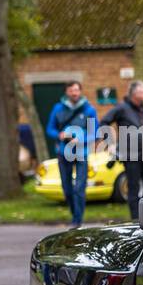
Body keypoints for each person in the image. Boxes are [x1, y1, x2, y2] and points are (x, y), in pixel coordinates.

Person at [100, 80, 143, 219]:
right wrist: (111, 143)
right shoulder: (122, 108)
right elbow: (104, 122)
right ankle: (136, 219)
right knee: (134, 188)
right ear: (135, 93)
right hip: (130, 155)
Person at [45, 81, 98, 228]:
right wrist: (59, 135)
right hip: (63, 152)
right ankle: (75, 213)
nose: (74, 93)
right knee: (67, 188)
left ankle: (77, 220)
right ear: (66, 92)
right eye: (71, 90)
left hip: (81, 152)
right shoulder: (58, 108)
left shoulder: (89, 109)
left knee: (79, 188)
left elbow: (94, 133)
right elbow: (50, 129)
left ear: (80, 91)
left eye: (76, 90)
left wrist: (80, 139)